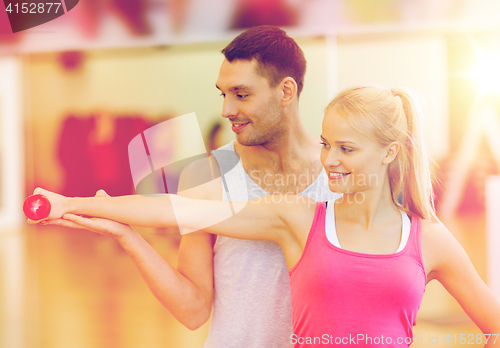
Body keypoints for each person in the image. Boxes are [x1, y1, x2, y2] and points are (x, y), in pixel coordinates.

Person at [33, 86, 500, 347]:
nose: (330, 160)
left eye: (347, 148)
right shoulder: (299, 219)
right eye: (325, 144)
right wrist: (74, 205)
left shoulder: (429, 240)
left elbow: (492, 324)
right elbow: (180, 208)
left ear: (389, 153)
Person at [41, 25, 339, 347]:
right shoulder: (206, 175)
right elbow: (193, 310)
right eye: (223, 94)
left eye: (241, 94)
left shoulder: (340, 173)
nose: (227, 110)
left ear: (286, 91)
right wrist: (126, 234)